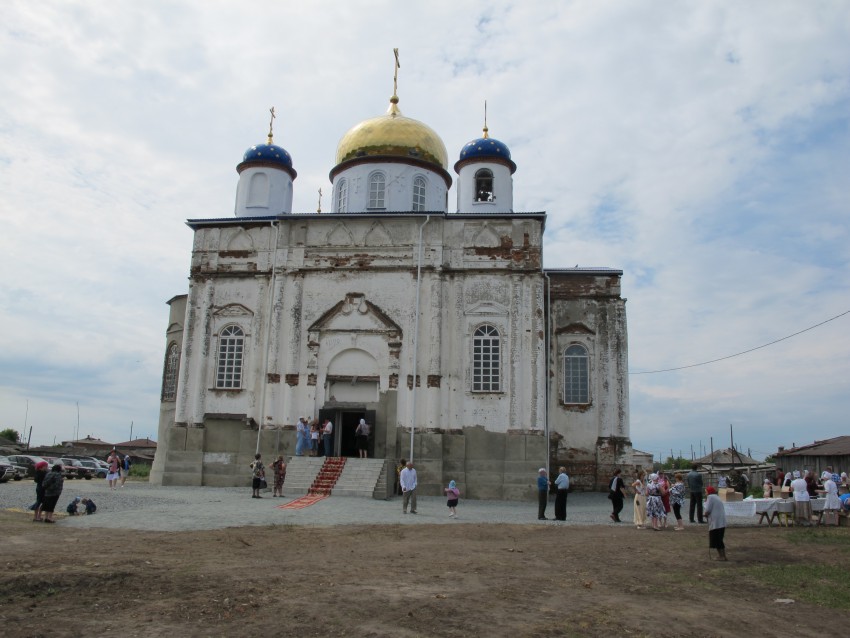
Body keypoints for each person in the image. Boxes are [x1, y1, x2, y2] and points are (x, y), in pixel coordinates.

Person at [703, 486, 727, 560]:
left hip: (716, 521)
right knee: (719, 539)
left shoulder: (710, 497)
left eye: (706, 492)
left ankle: (722, 556)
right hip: (720, 521)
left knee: (717, 539)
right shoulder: (717, 497)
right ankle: (722, 555)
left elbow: (708, 509)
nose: (705, 493)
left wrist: (705, 514)